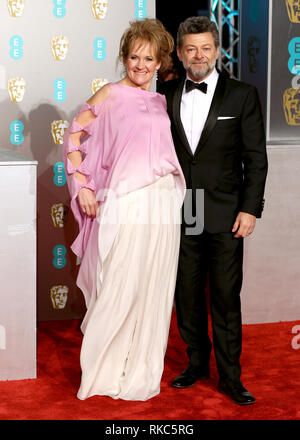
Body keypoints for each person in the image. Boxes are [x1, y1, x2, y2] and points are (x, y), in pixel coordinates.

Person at [62, 18, 185, 401]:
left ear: (160, 60)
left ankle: (138, 367)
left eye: (149, 58)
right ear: (124, 57)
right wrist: (82, 186)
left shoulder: (161, 99)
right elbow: (73, 137)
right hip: (126, 202)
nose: (141, 65)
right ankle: (103, 372)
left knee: (153, 288)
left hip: (163, 201)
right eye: (134, 56)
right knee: (119, 285)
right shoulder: (110, 94)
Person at [158, 16, 268, 405]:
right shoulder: (165, 92)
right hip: (185, 208)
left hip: (225, 211)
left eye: (206, 48)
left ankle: (231, 377)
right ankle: (197, 364)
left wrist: (250, 209)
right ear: (179, 52)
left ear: (218, 50)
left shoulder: (241, 95)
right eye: (190, 48)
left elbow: (256, 157)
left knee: (224, 295)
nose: (198, 55)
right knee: (187, 294)